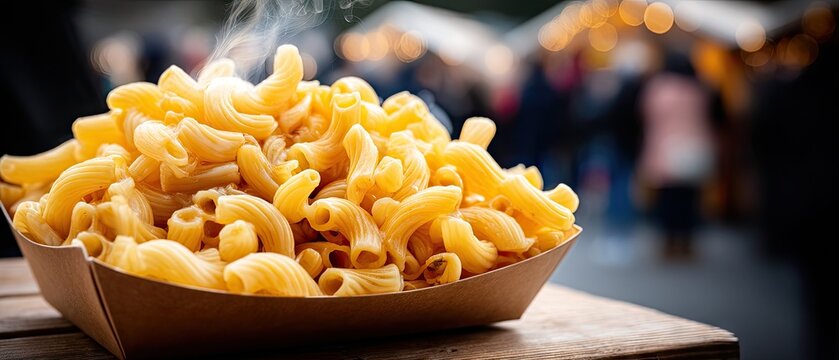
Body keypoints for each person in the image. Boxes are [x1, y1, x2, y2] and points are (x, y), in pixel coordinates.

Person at [637, 53, 715, 259]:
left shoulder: (657, 89)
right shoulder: (700, 88)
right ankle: (687, 244)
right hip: (694, 149)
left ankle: (669, 244)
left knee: (667, 200)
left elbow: (646, 116)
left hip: (664, 150)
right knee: (690, 200)